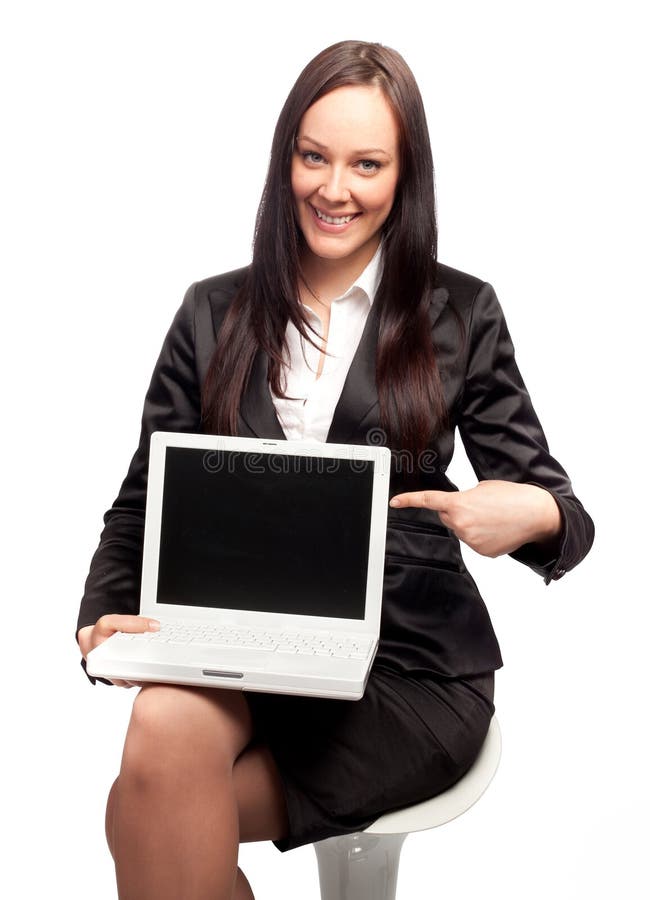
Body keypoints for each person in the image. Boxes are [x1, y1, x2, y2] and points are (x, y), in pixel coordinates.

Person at [76, 39, 594, 900]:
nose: (335, 188)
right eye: (313, 157)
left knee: (142, 811)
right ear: (287, 160)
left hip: (407, 671)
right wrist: (100, 618)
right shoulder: (213, 313)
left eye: (367, 163)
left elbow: (564, 515)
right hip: (245, 651)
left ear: (405, 174)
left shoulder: (460, 312)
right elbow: (142, 503)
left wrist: (528, 518)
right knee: (160, 727)